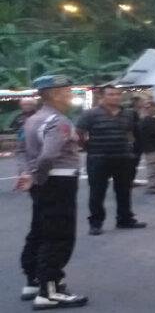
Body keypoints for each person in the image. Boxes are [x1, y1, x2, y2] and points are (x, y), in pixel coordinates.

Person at [15, 75, 88, 310]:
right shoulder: (58, 121)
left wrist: (28, 174)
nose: (71, 96)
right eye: (68, 91)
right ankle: (50, 291)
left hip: (42, 183)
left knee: (40, 231)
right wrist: (38, 176)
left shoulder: (32, 120)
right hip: (58, 182)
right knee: (59, 236)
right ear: (55, 94)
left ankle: (34, 281)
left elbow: (21, 151)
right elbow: (48, 155)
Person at [76, 85, 146, 236]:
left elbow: (133, 133)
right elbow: (79, 133)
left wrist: (132, 151)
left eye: (117, 94)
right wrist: (87, 147)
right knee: (97, 192)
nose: (115, 97)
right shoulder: (90, 114)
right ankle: (96, 223)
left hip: (123, 158)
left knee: (124, 191)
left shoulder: (128, 114)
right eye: (111, 94)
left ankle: (125, 219)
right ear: (102, 97)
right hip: (98, 159)